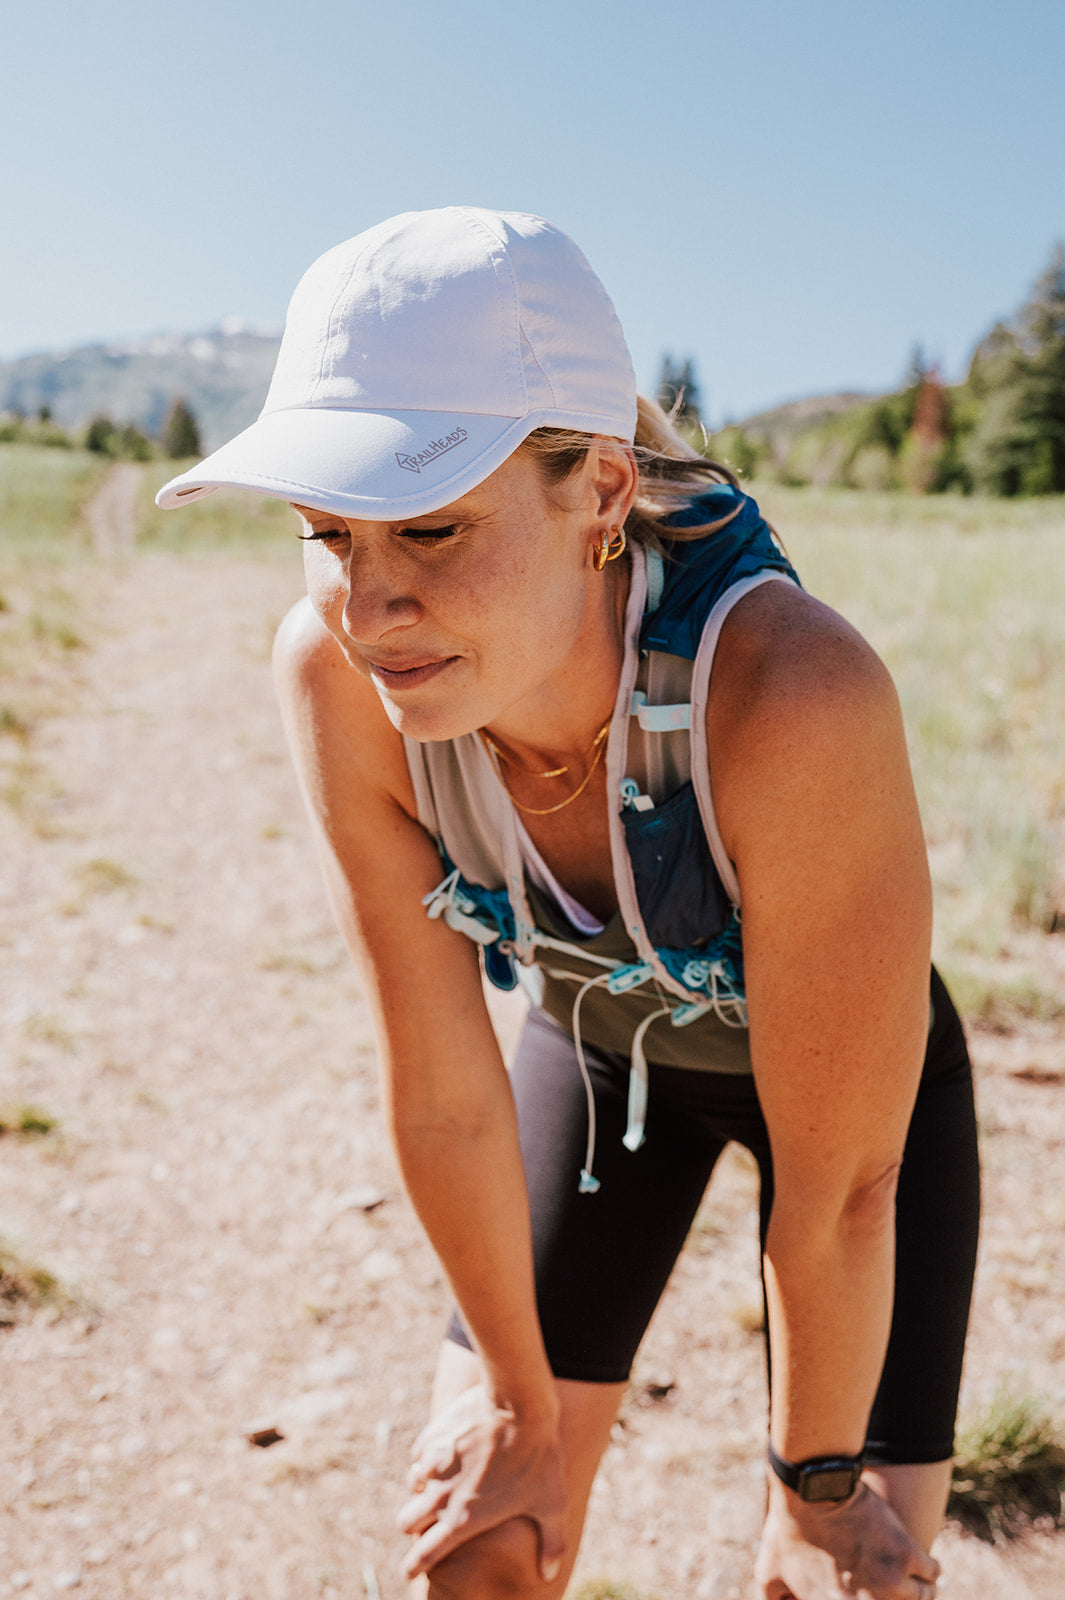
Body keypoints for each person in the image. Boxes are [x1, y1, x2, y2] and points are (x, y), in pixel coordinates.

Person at [157, 207, 979, 1600]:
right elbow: (440, 1087)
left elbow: (841, 1195)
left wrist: (814, 1485)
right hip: (594, 1061)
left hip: (851, 1114)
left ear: (601, 491)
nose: (369, 609)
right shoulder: (333, 685)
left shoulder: (790, 693)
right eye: (327, 535)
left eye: (428, 524)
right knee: (480, 1550)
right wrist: (517, 1416)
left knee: (842, 1582)